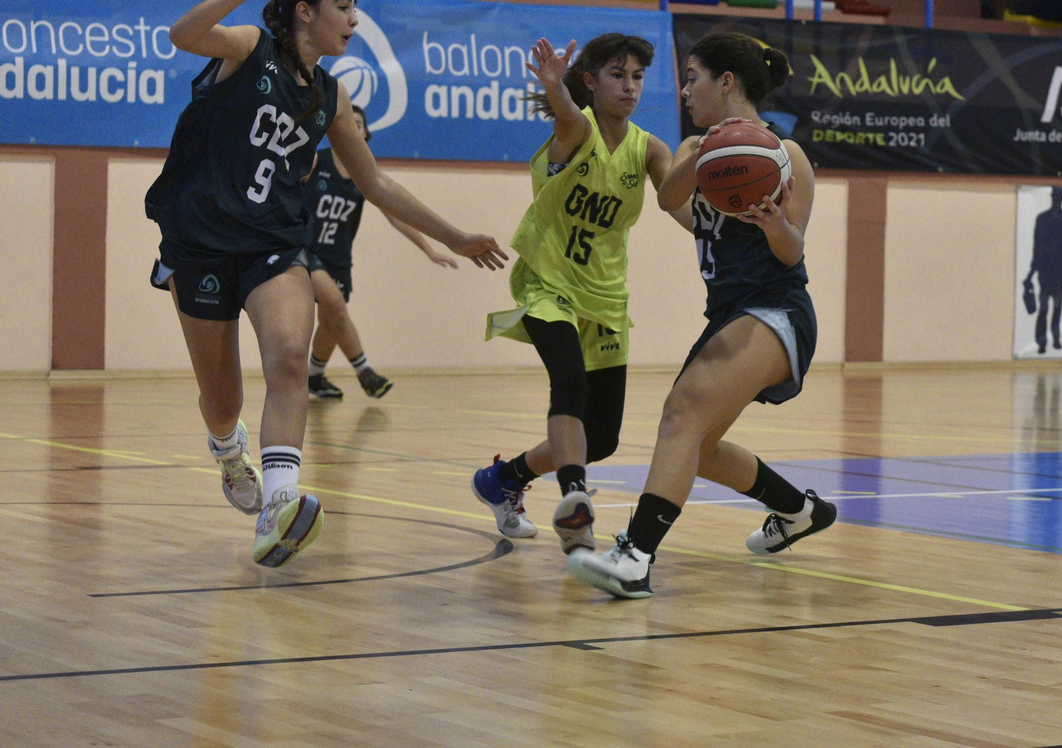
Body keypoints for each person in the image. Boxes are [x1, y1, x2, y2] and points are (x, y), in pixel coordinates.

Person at [145, 0, 505, 566]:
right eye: (345, 6)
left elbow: (378, 185)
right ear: (305, 12)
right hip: (198, 242)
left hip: (274, 245)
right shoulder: (248, 47)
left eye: (357, 8)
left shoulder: (333, 97)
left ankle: (278, 505)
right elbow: (183, 35)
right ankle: (229, 451)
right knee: (222, 398)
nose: (355, 20)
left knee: (288, 357)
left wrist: (453, 236)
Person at [567, 33, 836, 599]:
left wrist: (774, 224)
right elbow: (669, 200)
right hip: (728, 312)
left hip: (778, 305)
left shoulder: (787, 156)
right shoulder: (694, 147)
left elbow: (793, 250)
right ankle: (798, 511)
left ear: (727, 82)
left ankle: (635, 557)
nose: (685, 90)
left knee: (680, 412)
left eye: (693, 78)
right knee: (700, 448)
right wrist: (709, 152)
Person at [475, 34, 676, 551]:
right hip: (549, 286)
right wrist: (553, 87)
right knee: (569, 381)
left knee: (601, 438)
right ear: (591, 81)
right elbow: (566, 113)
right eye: (617, 74)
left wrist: (715, 170)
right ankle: (575, 502)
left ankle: (504, 479)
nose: (629, 86)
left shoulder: (650, 148)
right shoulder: (576, 129)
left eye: (636, 77)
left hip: (606, 299)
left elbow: (681, 206)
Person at [305, 105, 459, 401]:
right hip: (306, 250)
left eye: (359, 123)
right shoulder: (315, 161)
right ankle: (366, 372)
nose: (355, 127)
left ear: (364, 133)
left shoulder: (366, 177)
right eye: (350, 122)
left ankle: (314, 376)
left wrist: (429, 249)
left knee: (331, 323)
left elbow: (396, 216)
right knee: (336, 304)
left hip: (338, 258)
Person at [1024, 188, 1062, 354]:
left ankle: (1053, 338)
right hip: (1048, 270)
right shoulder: (1051, 219)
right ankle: (1044, 341)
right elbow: (1037, 246)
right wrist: (1033, 270)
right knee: (1046, 307)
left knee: (1054, 307)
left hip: (1056, 271)